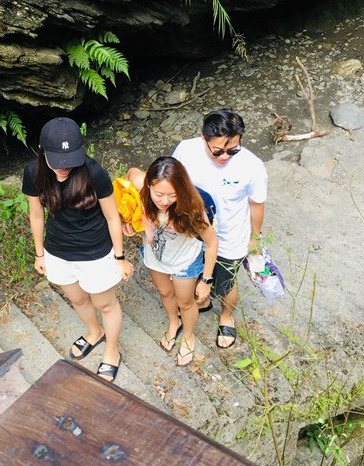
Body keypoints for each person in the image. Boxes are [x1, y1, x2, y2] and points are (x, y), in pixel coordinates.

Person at [23, 117, 134, 382]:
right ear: (42, 152)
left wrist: (119, 257)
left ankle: (112, 351)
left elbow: (111, 217)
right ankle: (94, 331)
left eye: (71, 161)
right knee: (78, 298)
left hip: (96, 250)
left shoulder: (93, 172)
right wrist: (39, 253)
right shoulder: (33, 172)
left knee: (104, 303)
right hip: (58, 250)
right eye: (58, 162)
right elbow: (36, 214)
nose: (65, 169)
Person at [172, 109, 267, 349]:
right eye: (218, 150)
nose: (225, 156)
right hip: (194, 231)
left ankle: (227, 315)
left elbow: (257, 205)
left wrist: (254, 239)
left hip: (230, 236)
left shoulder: (252, 166)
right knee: (194, 271)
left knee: (226, 282)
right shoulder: (186, 151)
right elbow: (173, 180)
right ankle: (202, 302)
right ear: (203, 138)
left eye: (233, 149)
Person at [126, 157, 218, 366]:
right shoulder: (142, 188)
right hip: (156, 257)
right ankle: (173, 322)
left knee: (185, 301)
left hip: (185, 261)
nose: (165, 201)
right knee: (165, 293)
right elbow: (132, 172)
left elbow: (212, 244)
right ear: (149, 185)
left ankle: (188, 335)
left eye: (172, 195)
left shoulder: (193, 209)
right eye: (159, 194)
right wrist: (130, 219)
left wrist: (206, 280)